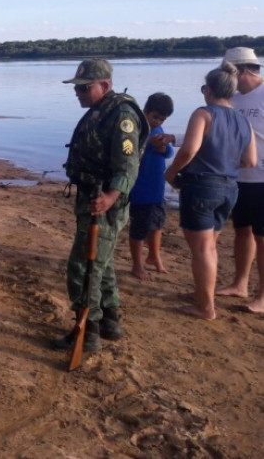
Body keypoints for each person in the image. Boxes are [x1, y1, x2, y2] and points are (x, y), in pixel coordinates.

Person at [51, 59, 147, 353]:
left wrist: (111, 197)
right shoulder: (101, 111)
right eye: (77, 87)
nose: (78, 92)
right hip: (93, 197)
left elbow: (128, 165)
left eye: (84, 87)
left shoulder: (122, 115)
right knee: (101, 264)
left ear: (104, 85)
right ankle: (110, 321)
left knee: (83, 266)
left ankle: (88, 330)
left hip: (104, 202)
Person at [164, 63, 256, 320]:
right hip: (230, 188)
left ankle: (205, 307)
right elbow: (250, 161)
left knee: (202, 250)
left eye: (204, 88)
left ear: (210, 90)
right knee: (210, 245)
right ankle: (204, 295)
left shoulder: (203, 114)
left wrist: (170, 173)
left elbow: (189, 150)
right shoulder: (243, 120)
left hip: (202, 186)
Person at [215, 48, 264, 312]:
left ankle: (263, 295)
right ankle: (240, 284)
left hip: (263, 179)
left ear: (242, 71)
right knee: (242, 231)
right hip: (238, 177)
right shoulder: (233, 98)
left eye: (227, 72)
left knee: (263, 237)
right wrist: (175, 140)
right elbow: (215, 129)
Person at [128, 92, 176, 281]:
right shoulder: (136, 128)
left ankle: (154, 256)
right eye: (155, 117)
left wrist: (165, 148)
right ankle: (137, 265)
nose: (157, 122)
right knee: (139, 229)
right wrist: (149, 144)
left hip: (157, 190)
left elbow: (168, 152)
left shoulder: (158, 130)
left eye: (162, 119)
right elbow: (129, 149)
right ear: (145, 111)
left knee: (157, 225)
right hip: (140, 190)